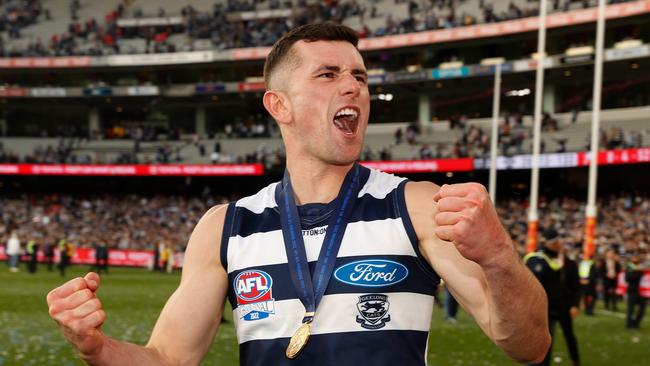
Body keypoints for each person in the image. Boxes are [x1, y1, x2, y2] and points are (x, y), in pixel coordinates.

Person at [46, 23, 550, 366]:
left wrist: (500, 258)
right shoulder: (227, 226)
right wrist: (97, 348)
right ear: (278, 105)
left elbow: (527, 345)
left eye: (359, 76)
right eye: (328, 75)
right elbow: (168, 359)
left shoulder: (416, 206)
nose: (351, 87)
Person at [524, 229, 581, 366]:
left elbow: (575, 286)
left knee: (569, 335)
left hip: (564, 306)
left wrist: (575, 304)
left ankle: (575, 360)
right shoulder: (537, 259)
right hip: (546, 307)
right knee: (545, 339)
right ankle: (539, 363)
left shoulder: (568, 262)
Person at [625, 250, 648, 329]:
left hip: (643, 292)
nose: (636, 259)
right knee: (631, 309)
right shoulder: (630, 266)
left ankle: (636, 323)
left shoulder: (643, 267)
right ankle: (629, 324)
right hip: (633, 291)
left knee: (642, 308)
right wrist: (638, 271)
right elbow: (628, 278)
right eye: (634, 257)